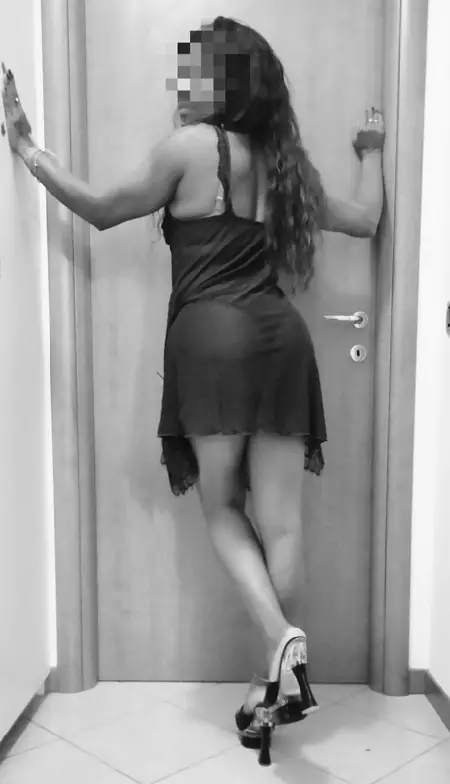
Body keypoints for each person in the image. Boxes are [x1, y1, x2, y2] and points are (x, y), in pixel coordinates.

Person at [2, 16, 384, 767]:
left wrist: (26, 148)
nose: (183, 81)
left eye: (196, 69)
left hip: (211, 341)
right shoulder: (286, 165)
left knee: (221, 506)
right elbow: (367, 220)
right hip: (281, 340)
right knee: (282, 524)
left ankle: (282, 641)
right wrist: (371, 151)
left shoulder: (190, 149)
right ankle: (268, 686)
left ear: (221, 81)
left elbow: (103, 209)